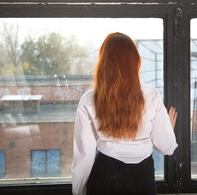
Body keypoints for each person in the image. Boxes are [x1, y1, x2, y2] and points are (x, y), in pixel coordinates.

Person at [71, 32, 178, 195]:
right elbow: (166, 148)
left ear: (103, 62)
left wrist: (78, 192)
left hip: (104, 178)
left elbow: (84, 155)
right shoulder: (151, 95)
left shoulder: (89, 99)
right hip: (142, 180)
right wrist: (168, 129)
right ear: (135, 61)